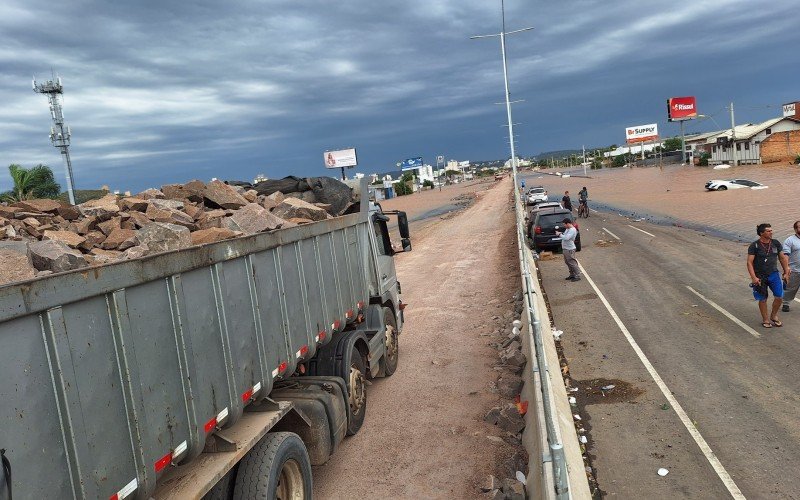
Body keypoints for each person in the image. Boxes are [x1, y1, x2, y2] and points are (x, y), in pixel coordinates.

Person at [747, 223, 790, 328]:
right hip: (760, 276)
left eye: (771, 230)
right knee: (763, 299)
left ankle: (774, 316)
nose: (771, 232)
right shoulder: (755, 245)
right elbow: (749, 262)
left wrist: (786, 271)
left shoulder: (775, 243)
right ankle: (765, 319)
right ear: (761, 233)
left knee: (779, 296)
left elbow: (782, 258)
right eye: (768, 231)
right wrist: (753, 277)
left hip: (774, 274)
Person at [781, 220, 800, 312]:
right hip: (794, 270)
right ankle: (786, 303)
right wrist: (786, 268)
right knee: (791, 288)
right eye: (799, 227)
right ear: (795, 229)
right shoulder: (790, 240)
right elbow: (785, 255)